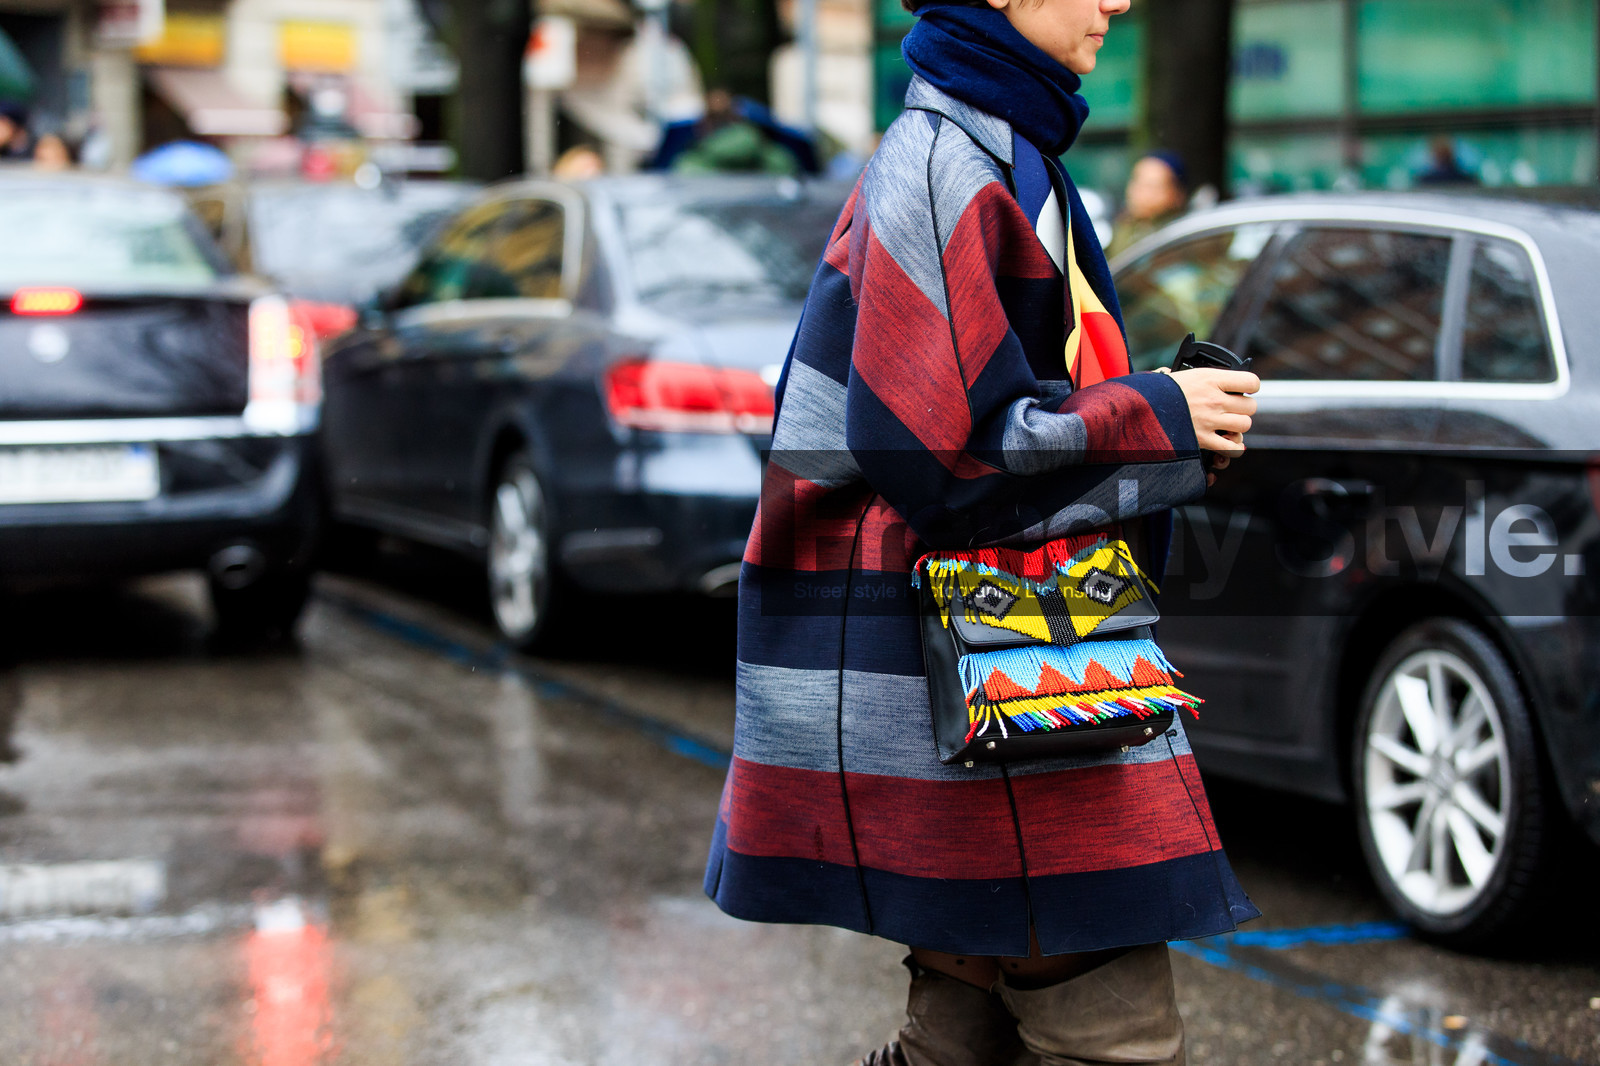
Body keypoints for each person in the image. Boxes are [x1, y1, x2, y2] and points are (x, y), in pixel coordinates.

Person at [702, 0, 1261, 1063]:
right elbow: (948, 456)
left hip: (983, 654)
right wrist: (1164, 417)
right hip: (978, 656)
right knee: (1109, 1021)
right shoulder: (943, 162)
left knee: (962, 1029)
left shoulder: (994, 147)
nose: (1116, 2)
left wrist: (1162, 418)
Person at [1106, 149, 1189, 258]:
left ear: (1177, 194)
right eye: (1136, 181)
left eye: (1151, 186)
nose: (1138, 191)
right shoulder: (1121, 231)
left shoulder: (1183, 235)